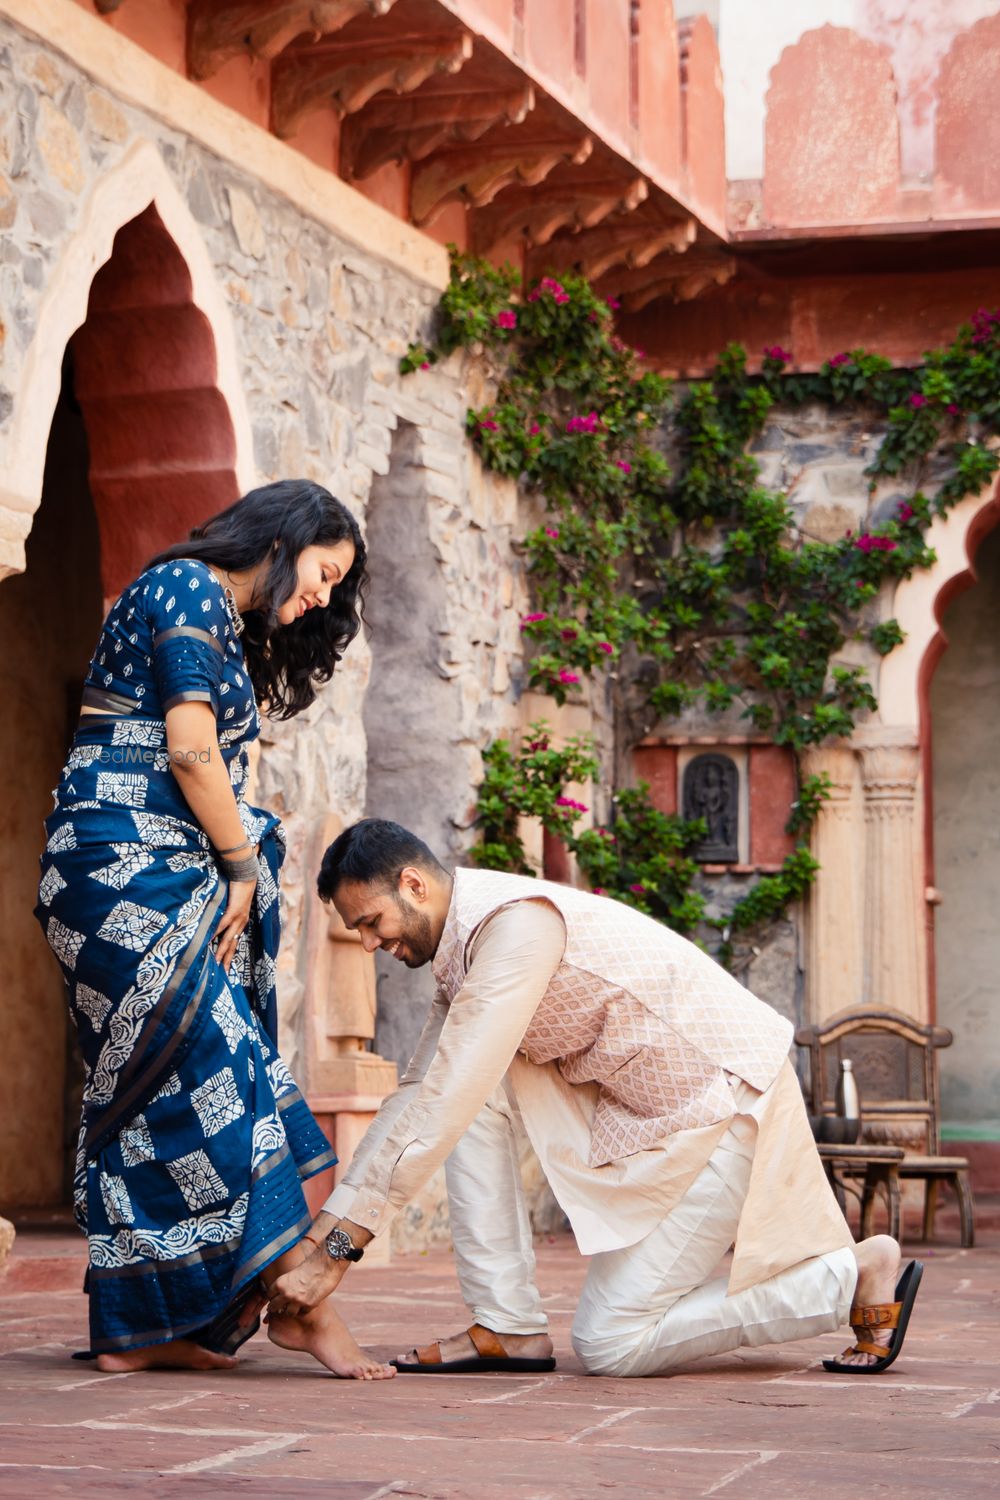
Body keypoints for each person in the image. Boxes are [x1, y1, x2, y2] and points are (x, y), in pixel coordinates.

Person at [267, 819, 923, 1379]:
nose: (371, 944)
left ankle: (848, 1278)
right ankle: (508, 1326)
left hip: (724, 1110)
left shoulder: (516, 929)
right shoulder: (467, 950)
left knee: (612, 1341)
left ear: (413, 885)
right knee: (460, 1093)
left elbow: (444, 1101)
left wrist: (335, 1257)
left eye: (372, 923)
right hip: (651, 1123)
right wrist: (325, 1237)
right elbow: (420, 1096)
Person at [34, 481, 393, 1380]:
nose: (320, 596)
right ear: (282, 538)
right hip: (121, 867)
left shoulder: (224, 623)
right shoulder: (191, 587)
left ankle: (146, 1329)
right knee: (222, 1069)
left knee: (165, 1101)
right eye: (322, 573)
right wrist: (239, 861)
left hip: (159, 870)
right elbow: (191, 749)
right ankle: (294, 1299)